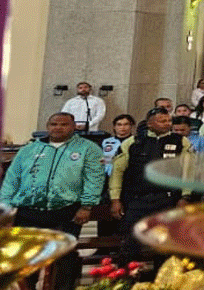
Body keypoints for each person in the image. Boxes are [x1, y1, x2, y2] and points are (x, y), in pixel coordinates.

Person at [1, 113, 105, 290]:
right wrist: (5, 208)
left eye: (64, 124)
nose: (58, 128)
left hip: (66, 211)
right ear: (47, 126)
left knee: (63, 258)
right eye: (54, 124)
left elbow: (94, 179)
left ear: (73, 127)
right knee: (26, 258)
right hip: (28, 211)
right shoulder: (29, 150)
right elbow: (12, 179)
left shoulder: (88, 149)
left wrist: (87, 206)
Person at [110, 108, 192, 263]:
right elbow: (117, 172)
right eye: (162, 121)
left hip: (167, 201)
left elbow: (188, 172)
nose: (167, 124)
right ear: (149, 123)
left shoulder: (180, 141)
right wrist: (115, 199)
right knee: (129, 246)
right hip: (136, 201)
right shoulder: (133, 142)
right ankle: (127, 282)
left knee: (165, 248)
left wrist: (185, 196)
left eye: (169, 121)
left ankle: (161, 284)